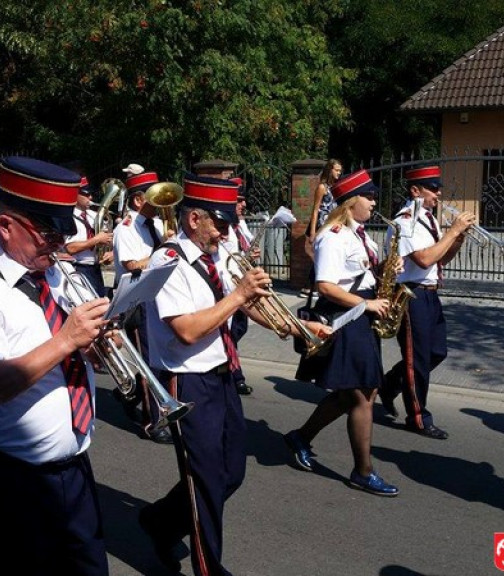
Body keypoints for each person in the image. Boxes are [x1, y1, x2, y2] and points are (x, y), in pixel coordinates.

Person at [138, 173, 329, 575]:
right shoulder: (167, 261)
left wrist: (298, 327)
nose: (226, 234)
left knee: (231, 471)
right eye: (220, 224)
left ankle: (159, 520)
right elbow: (188, 330)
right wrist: (239, 293)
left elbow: (245, 308)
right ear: (195, 220)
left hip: (221, 373)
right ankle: (209, 568)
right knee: (206, 479)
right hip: (186, 380)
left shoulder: (215, 255)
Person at [0, 156, 110, 576]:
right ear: (7, 227)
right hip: (9, 476)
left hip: (73, 468)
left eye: (63, 233)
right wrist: (66, 339)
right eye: (48, 234)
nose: (59, 244)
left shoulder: (62, 275)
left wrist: (98, 349)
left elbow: (80, 354)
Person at [285, 169, 399, 497]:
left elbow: (360, 273)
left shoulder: (359, 234)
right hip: (348, 315)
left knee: (359, 392)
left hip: (363, 311)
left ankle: (301, 437)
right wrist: (367, 305)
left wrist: (385, 272)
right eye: (370, 196)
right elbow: (325, 285)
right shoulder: (332, 235)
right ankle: (363, 471)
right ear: (350, 202)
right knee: (362, 394)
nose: (374, 202)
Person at [378, 165, 475, 440]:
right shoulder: (406, 220)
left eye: (438, 187)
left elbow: (440, 259)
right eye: (433, 188)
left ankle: (389, 384)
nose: (438, 193)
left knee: (437, 352)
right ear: (415, 190)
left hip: (430, 293)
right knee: (417, 360)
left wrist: (457, 239)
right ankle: (418, 417)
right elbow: (423, 259)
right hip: (412, 294)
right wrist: (452, 231)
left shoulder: (428, 220)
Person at [111, 170, 173, 444]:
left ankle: (130, 392)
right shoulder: (125, 228)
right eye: (154, 197)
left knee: (163, 357)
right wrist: (164, 250)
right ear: (138, 200)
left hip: (161, 298)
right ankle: (152, 422)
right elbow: (132, 266)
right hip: (139, 301)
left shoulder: (156, 224)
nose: (161, 203)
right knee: (149, 363)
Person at [224, 177, 258, 396]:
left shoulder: (241, 224)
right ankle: (235, 375)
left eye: (243, 200)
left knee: (239, 329)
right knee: (230, 332)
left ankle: (229, 367)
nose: (243, 205)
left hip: (242, 284)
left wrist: (252, 257)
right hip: (229, 286)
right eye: (239, 200)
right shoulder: (223, 226)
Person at [64, 176, 113, 296]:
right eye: (86, 194)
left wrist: (112, 252)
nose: (90, 198)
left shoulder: (95, 215)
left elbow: (108, 238)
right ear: (75, 194)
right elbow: (70, 248)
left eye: (91, 194)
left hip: (100, 267)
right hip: (79, 267)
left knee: (106, 301)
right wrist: (96, 240)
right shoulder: (67, 217)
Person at [306, 158, 342, 240]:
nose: (339, 173)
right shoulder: (322, 187)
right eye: (336, 170)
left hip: (333, 225)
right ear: (330, 170)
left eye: (340, 171)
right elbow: (315, 210)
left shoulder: (335, 187)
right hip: (322, 225)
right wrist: (312, 232)